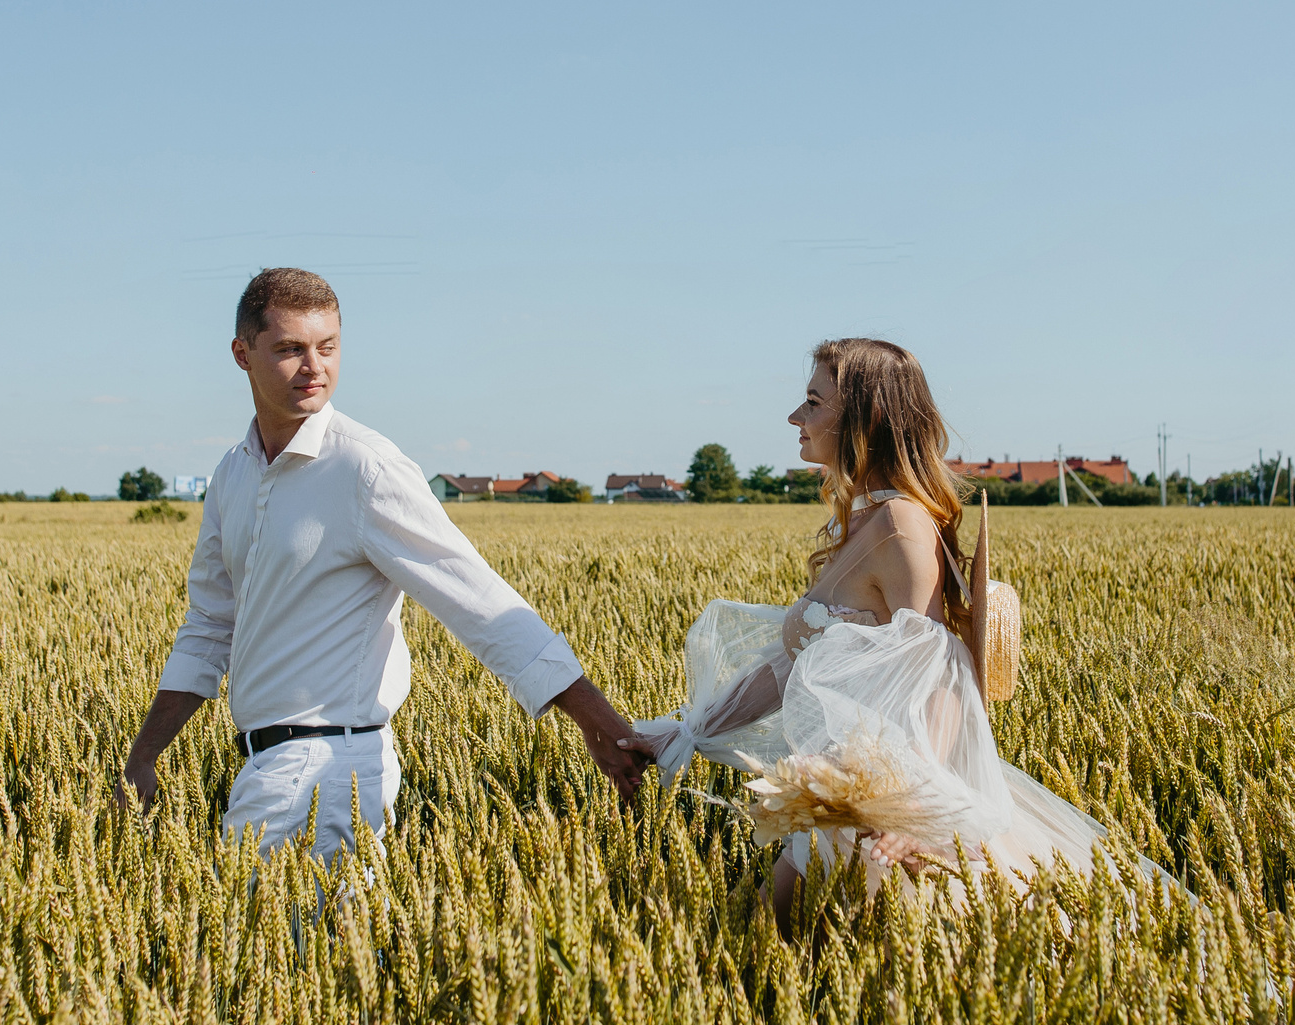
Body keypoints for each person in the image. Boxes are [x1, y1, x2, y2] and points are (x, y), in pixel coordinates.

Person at [118, 268, 650, 859]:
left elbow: (477, 600)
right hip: (269, 765)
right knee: (306, 950)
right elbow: (210, 627)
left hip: (330, 768)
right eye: (290, 349)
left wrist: (595, 719)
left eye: (328, 347)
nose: (314, 367)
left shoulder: (364, 468)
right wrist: (145, 755)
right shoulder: (233, 474)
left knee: (264, 945)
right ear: (242, 354)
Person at [632, 337, 1144, 927]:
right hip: (842, 799)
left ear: (864, 418)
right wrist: (686, 734)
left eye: (812, 401)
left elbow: (944, 675)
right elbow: (788, 664)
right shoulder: (863, 517)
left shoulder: (901, 524)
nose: (796, 417)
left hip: (880, 820)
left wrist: (914, 810)